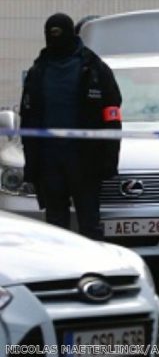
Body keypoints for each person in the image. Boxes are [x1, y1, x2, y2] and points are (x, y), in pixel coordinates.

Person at [19, 13, 122, 240]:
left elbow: (112, 115)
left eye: (58, 33)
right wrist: (31, 165)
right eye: (50, 33)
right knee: (55, 229)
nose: (54, 38)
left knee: (90, 226)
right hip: (49, 163)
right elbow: (27, 119)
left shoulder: (94, 69)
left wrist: (109, 158)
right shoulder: (37, 72)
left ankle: (94, 270)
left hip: (85, 161)